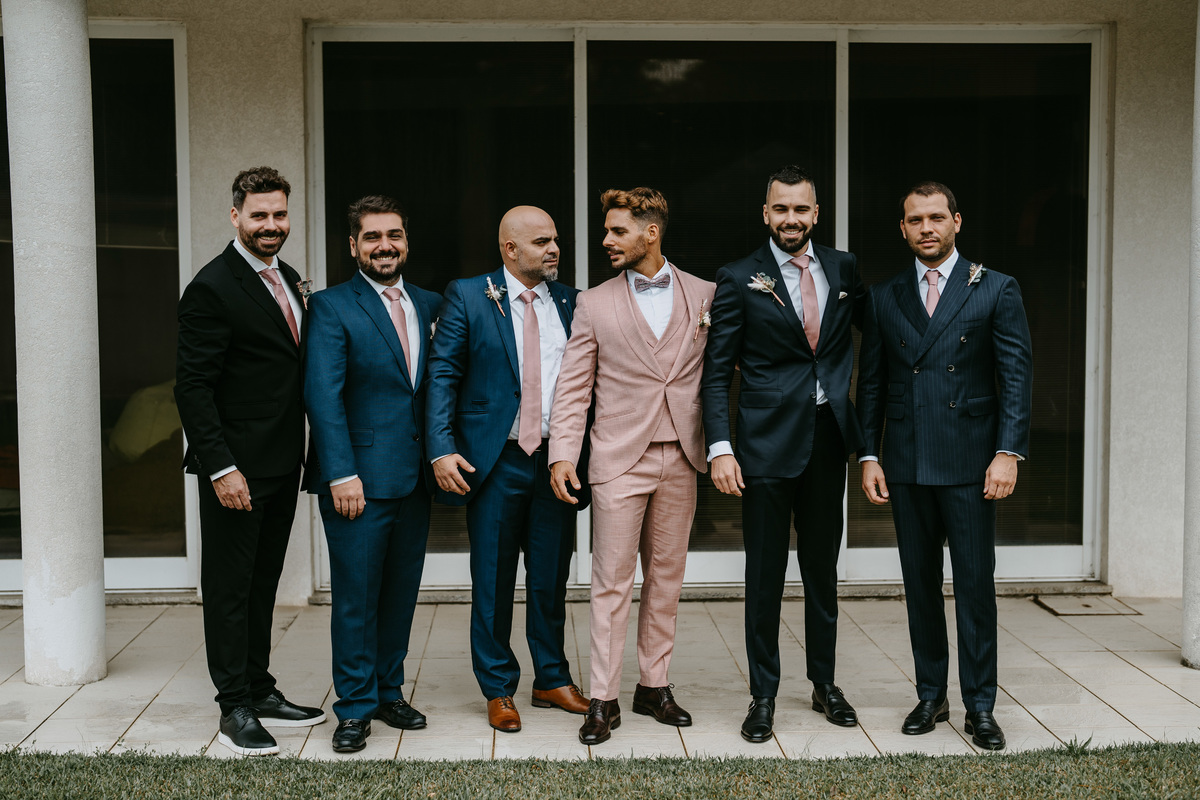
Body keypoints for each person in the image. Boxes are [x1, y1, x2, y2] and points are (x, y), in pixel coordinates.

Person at [856, 181, 1033, 751]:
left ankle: (980, 705)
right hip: (906, 462)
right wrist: (869, 454)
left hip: (971, 462)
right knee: (920, 585)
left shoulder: (995, 287)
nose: (926, 228)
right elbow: (873, 384)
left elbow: (1015, 377)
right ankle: (931, 694)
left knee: (975, 587)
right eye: (915, 220)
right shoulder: (884, 297)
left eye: (936, 217)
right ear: (902, 229)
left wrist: (1007, 452)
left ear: (957, 221)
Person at [702, 165, 868, 743]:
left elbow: (871, 334)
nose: (790, 219)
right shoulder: (737, 277)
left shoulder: (844, 268)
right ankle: (764, 695)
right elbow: (716, 372)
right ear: (765, 214)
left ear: (815, 214)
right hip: (764, 445)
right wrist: (720, 448)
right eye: (781, 209)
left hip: (828, 440)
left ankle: (824, 684)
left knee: (822, 571)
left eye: (801, 209)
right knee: (765, 575)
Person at [549, 187, 715, 745]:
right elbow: (574, 388)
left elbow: (717, 376)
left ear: (651, 233)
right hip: (619, 459)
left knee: (666, 580)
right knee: (611, 583)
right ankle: (603, 697)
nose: (607, 240)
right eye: (607, 230)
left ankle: (654, 686)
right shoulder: (594, 303)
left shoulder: (705, 294)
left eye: (617, 231)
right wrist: (563, 454)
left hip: (682, 456)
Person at [175, 166, 325, 756]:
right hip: (235, 469)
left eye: (279, 214)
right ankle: (233, 705)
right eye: (259, 215)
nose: (271, 224)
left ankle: (260, 689)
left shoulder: (285, 276)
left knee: (262, 583)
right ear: (235, 215)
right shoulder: (212, 287)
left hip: (282, 462)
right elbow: (193, 387)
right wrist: (220, 467)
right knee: (230, 588)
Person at [425, 206, 591, 733]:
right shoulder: (469, 295)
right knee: (493, 580)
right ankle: (498, 686)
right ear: (509, 249)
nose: (554, 249)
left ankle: (551, 678)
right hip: (494, 460)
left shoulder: (572, 301)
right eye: (542, 241)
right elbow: (443, 373)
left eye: (555, 239)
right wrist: (441, 447)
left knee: (550, 577)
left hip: (557, 462)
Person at [304, 195, 442, 753]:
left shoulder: (431, 304)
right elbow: (323, 396)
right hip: (357, 480)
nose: (385, 246)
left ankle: (388, 691)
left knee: (399, 595)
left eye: (394, 235)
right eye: (372, 237)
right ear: (353, 245)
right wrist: (340, 473)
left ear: (406, 241)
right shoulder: (331, 306)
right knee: (357, 599)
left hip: (415, 479)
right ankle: (355, 707)